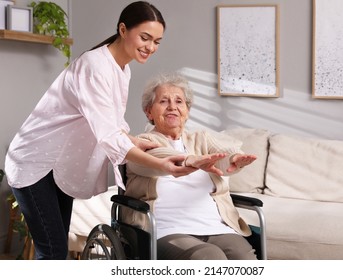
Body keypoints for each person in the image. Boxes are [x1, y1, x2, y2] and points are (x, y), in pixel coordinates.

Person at [4, 1, 195, 260]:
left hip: (61, 164)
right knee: (52, 252)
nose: (151, 47)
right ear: (123, 29)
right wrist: (163, 166)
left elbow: (111, 122)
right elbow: (108, 136)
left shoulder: (121, 69)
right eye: (145, 37)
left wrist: (134, 142)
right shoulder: (94, 66)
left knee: (55, 251)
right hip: (35, 163)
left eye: (157, 41)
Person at [124, 72, 258, 260]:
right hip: (166, 229)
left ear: (187, 110)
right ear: (149, 111)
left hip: (215, 226)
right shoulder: (141, 143)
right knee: (208, 257)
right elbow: (158, 157)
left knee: (244, 257)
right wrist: (190, 160)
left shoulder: (201, 138)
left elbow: (222, 155)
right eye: (163, 101)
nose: (172, 107)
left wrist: (235, 158)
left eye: (179, 102)